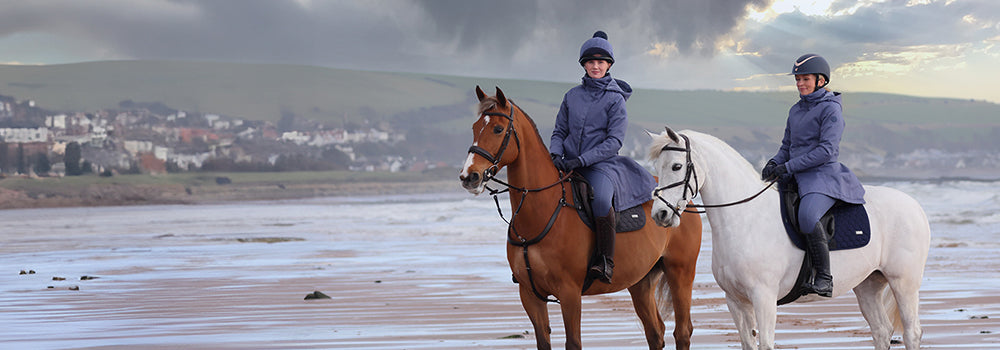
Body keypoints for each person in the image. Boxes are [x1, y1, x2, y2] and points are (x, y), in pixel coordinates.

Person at [549, 31, 656, 283]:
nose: (595, 66)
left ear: (608, 65)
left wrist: (582, 160)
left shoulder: (615, 99)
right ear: (584, 65)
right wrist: (555, 153)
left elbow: (614, 142)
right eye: (590, 62)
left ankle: (605, 261)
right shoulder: (571, 96)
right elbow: (559, 131)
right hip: (567, 163)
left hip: (602, 166)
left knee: (600, 202)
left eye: (601, 62)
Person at [761, 53, 866, 297]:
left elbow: (825, 151)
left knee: (807, 216)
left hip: (822, 177)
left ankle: (824, 278)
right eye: (797, 80)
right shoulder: (795, 110)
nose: (800, 84)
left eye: (805, 79)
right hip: (794, 175)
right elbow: (787, 146)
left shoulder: (831, 111)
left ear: (820, 80)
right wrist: (775, 161)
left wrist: (788, 167)